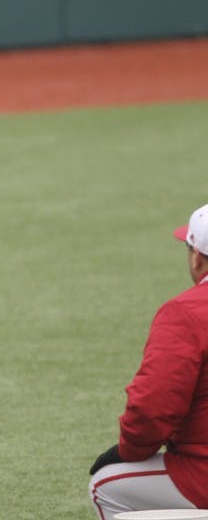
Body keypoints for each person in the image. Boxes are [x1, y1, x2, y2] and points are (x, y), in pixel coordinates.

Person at [88, 203, 208, 517]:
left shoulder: (185, 313)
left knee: (106, 485)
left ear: (197, 257)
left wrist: (127, 451)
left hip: (203, 474)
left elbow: (154, 405)